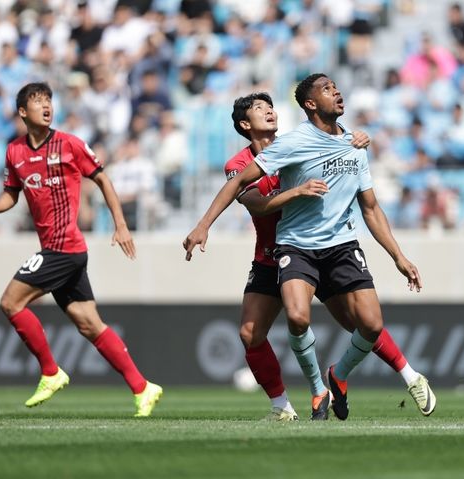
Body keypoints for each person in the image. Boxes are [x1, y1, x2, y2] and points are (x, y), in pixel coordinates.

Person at [184, 74, 435, 420]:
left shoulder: (299, 143)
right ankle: (289, 403)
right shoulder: (245, 163)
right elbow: (256, 204)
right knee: (253, 331)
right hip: (278, 254)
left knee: (362, 323)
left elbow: (363, 195)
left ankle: (363, 376)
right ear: (245, 124)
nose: (270, 112)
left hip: (327, 247)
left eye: (271, 107)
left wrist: (353, 138)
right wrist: (204, 224)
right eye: (260, 108)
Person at [0, 83, 162, 417]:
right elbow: (10, 193)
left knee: (10, 302)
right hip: (55, 249)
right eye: (37, 102)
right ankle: (142, 386)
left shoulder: (70, 144)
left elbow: (103, 179)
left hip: (65, 248)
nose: (46, 106)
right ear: (23, 112)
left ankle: (50, 371)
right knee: (88, 323)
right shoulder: (14, 152)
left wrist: (120, 224)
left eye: (49, 101)